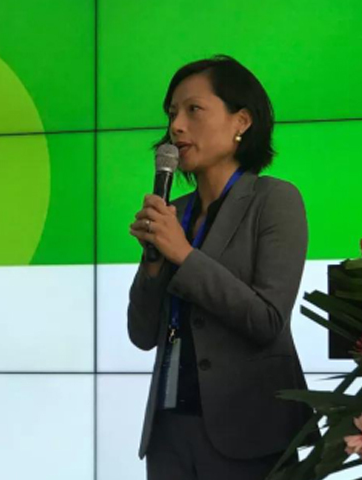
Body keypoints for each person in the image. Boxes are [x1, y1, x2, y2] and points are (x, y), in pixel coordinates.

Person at [127, 55, 314, 480]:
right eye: (172, 113)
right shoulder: (175, 212)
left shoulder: (274, 200)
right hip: (169, 432)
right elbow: (141, 334)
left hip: (251, 432)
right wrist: (153, 262)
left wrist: (184, 255)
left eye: (194, 109)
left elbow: (267, 320)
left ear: (241, 121)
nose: (176, 126)